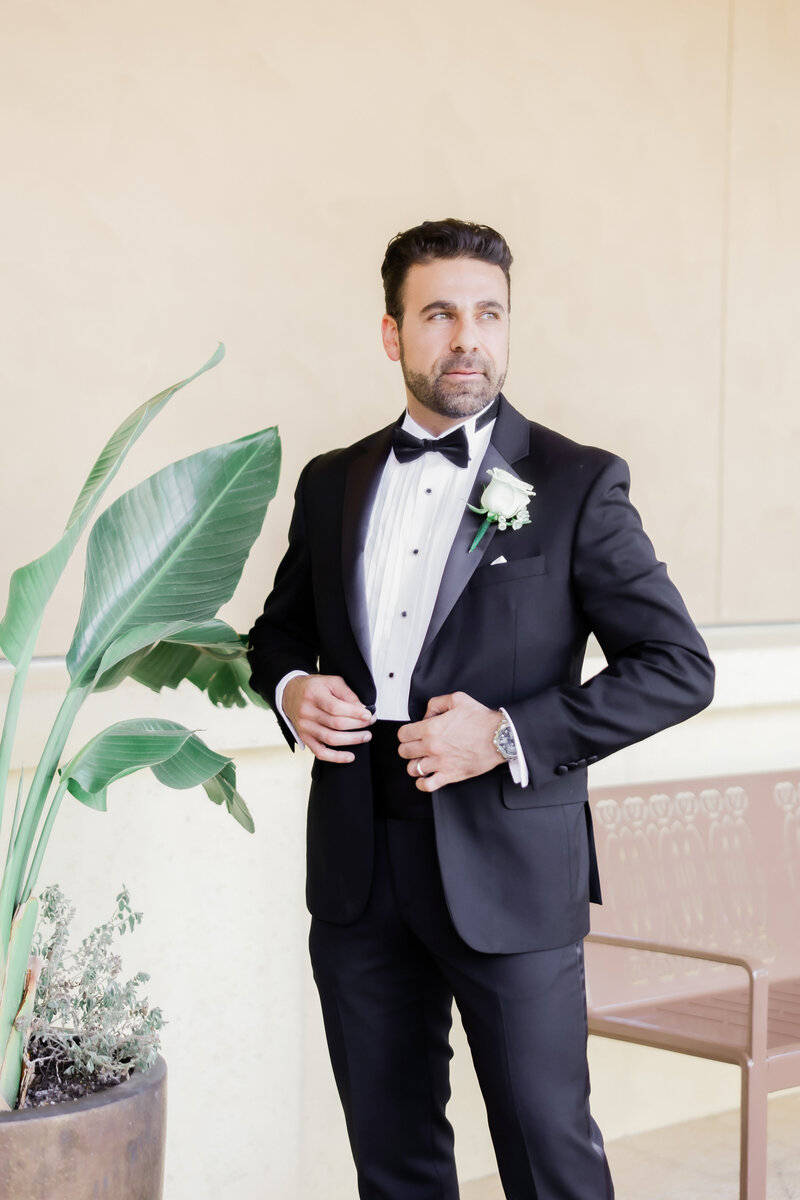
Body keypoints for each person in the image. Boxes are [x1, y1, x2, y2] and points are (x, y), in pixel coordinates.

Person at [247, 218, 714, 1200]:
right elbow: (277, 633)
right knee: (393, 1158)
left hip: (507, 871)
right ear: (392, 333)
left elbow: (676, 665)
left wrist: (505, 733)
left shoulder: (576, 481)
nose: (468, 337)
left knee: (548, 1160)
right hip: (355, 870)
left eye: (488, 314)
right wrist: (292, 689)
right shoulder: (331, 482)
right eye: (440, 314)